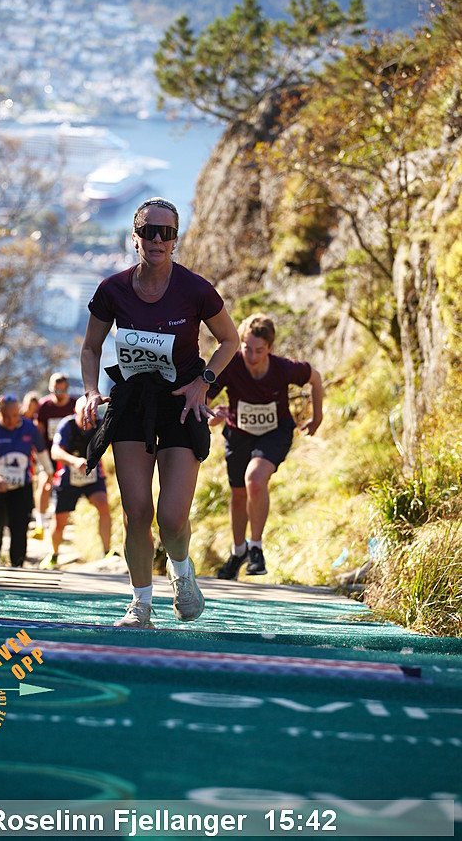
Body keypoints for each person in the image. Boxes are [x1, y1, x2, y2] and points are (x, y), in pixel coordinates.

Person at [81, 197, 239, 628]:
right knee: (136, 512)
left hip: (181, 402)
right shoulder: (112, 289)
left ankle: (182, 573)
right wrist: (91, 391)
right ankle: (140, 606)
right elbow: (91, 347)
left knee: (171, 517)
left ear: (175, 240)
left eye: (165, 233)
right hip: (132, 401)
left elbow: (230, 340)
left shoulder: (195, 289)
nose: (156, 240)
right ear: (135, 238)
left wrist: (204, 382)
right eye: (148, 232)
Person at [209, 313, 323, 580]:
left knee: (255, 479)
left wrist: (317, 416)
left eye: (259, 350)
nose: (252, 355)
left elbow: (315, 378)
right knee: (238, 494)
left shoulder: (283, 368)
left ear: (270, 348)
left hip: (274, 433)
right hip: (239, 434)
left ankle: (256, 548)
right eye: (246, 348)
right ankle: (238, 552)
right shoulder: (231, 365)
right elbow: (204, 400)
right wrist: (212, 417)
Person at [0, 394, 54, 567]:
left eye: (15, 415)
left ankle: (17, 564)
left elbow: (41, 452)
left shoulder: (29, 428)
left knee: (20, 525)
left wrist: (49, 472)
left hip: (21, 486)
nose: (11, 421)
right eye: (6, 416)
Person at [39, 396, 111, 569]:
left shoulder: (101, 424)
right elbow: (55, 452)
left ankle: (107, 551)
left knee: (103, 505)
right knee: (60, 520)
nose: (88, 419)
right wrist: (74, 461)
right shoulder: (66, 425)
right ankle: (54, 554)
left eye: (91, 414)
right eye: (84, 414)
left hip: (93, 477)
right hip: (67, 478)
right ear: (75, 412)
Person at [31, 373, 77, 539]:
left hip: (69, 453)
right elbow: (38, 431)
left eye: (62, 391)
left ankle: (64, 523)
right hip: (48, 452)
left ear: (67, 389)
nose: (58, 394)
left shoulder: (74, 404)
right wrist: (40, 455)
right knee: (44, 483)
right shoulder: (44, 406)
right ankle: (40, 524)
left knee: (69, 486)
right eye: (55, 391)